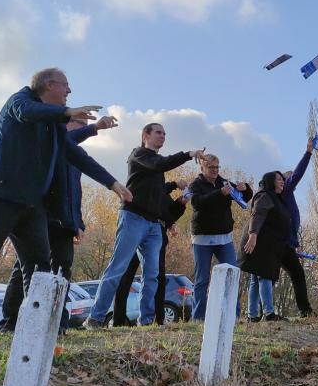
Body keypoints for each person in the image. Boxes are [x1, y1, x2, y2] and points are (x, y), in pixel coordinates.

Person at [0, 68, 131, 337]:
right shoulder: (19, 101)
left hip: (31, 205)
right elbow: (28, 113)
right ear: (49, 85)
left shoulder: (54, 126)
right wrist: (67, 113)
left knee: (40, 267)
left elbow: (75, 154)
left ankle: (36, 326)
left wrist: (112, 183)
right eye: (66, 86)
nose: (69, 92)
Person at [0, 115, 119, 333]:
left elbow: (75, 191)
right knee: (26, 268)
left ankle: (58, 322)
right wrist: (94, 127)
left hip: (64, 222)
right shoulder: (50, 142)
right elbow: (67, 139)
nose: (82, 129)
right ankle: (10, 322)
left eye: (84, 125)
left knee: (63, 269)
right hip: (38, 218)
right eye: (79, 124)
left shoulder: (76, 157)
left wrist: (79, 223)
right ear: (66, 124)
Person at [83, 123, 204, 328]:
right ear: (145, 135)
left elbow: (156, 191)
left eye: (165, 133)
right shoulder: (139, 154)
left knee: (152, 275)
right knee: (117, 268)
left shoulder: (155, 166)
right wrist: (189, 154)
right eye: (158, 132)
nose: (163, 136)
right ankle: (95, 318)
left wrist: (175, 189)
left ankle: (146, 321)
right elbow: (160, 164)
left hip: (154, 226)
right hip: (133, 219)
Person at [112, 179, 189, 326]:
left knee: (156, 276)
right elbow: (155, 205)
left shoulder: (163, 193)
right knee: (125, 275)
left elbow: (168, 212)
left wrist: (180, 204)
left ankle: (156, 319)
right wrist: (173, 185)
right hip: (137, 232)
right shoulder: (145, 184)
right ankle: (118, 320)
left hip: (156, 236)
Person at [189, 154, 252, 321]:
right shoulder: (196, 184)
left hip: (224, 238)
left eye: (217, 167)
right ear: (202, 168)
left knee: (232, 274)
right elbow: (196, 203)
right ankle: (198, 318)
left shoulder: (224, 182)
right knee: (202, 279)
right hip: (202, 239)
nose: (215, 171)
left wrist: (246, 188)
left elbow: (244, 198)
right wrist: (219, 194)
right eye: (211, 168)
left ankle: (234, 316)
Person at [239, 171, 291, 322]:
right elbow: (258, 214)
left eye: (283, 179)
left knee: (256, 278)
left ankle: (252, 315)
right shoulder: (265, 196)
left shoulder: (276, 198)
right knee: (265, 275)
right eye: (279, 179)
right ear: (271, 181)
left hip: (267, 243)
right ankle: (269, 313)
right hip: (259, 242)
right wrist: (253, 235)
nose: (282, 182)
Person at [279, 136, 315, 317]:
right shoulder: (285, 190)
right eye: (287, 178)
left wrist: (296, 242)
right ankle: (260, 312)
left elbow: (292, 221)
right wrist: (308, 153)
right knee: (267, 278)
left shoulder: (288, 196)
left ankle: (305, 310)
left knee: (298, 275)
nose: (291, 181)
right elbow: (297, 175)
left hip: (288, 244)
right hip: (279, 244)